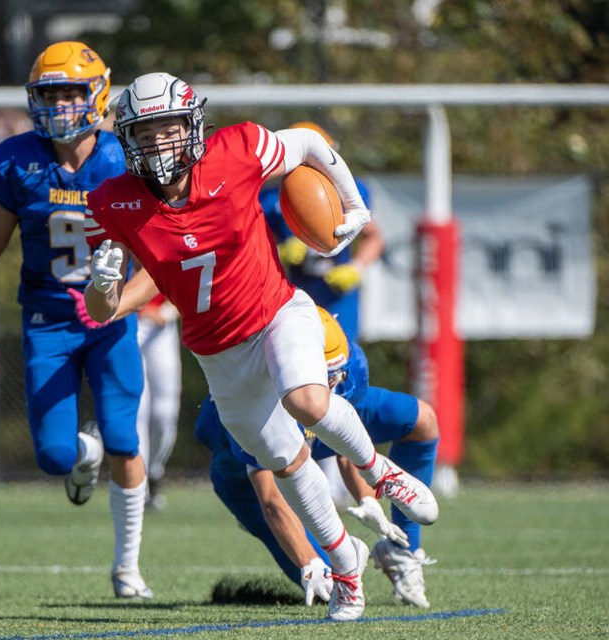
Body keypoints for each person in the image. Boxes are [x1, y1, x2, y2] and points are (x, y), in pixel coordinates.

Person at [82, 71, 438, 621]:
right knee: (287, 464)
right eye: (145, 133)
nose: (158, 144)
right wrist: (101, 285)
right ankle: (347, 568)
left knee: (308, 402)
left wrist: (354, 206)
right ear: (127, 139)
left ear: (193, 126)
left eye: (169, 129)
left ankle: (379, 471)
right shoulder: (113, 202)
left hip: (277, 312)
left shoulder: (237, 148)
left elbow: (311, 143)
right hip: (215, 351)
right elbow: (103, 310)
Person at [0, 41, 152, 600]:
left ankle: (126, 567)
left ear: (97, 93)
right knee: (54, 457)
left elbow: (161, 246)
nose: (62, 104)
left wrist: (128, 299)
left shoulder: (126, 159)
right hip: (47, 318)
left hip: (111, 318)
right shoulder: (17, 161)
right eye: (50, 94)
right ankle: (83, 454)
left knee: (123, 435)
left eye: (71, 92)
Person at [195, 307, 440, 608]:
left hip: (305, 422)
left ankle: (403, 553)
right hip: (251, 484)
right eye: (325, 378)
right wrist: (311, 564)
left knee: (421, 420)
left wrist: (368, 500)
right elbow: (272, 500)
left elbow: (348, 442)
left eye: (336, 376)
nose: (335, 385)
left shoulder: (341, 372)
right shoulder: (253, 401)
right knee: (328, 583)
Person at [260, 121, 383, 343]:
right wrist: (278, 253)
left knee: (343, 360)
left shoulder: (351, 190)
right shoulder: (270, 199)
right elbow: (253, 246)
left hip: (338, 293)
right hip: (293, 292)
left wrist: (356, 269)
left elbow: (373, 236)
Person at [135, 293, 181, 511]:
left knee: (165, 415)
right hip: (129, 324)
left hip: (162, 327)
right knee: (138, 411)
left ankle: (154, 471)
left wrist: (171, 309)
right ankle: (139, 484)